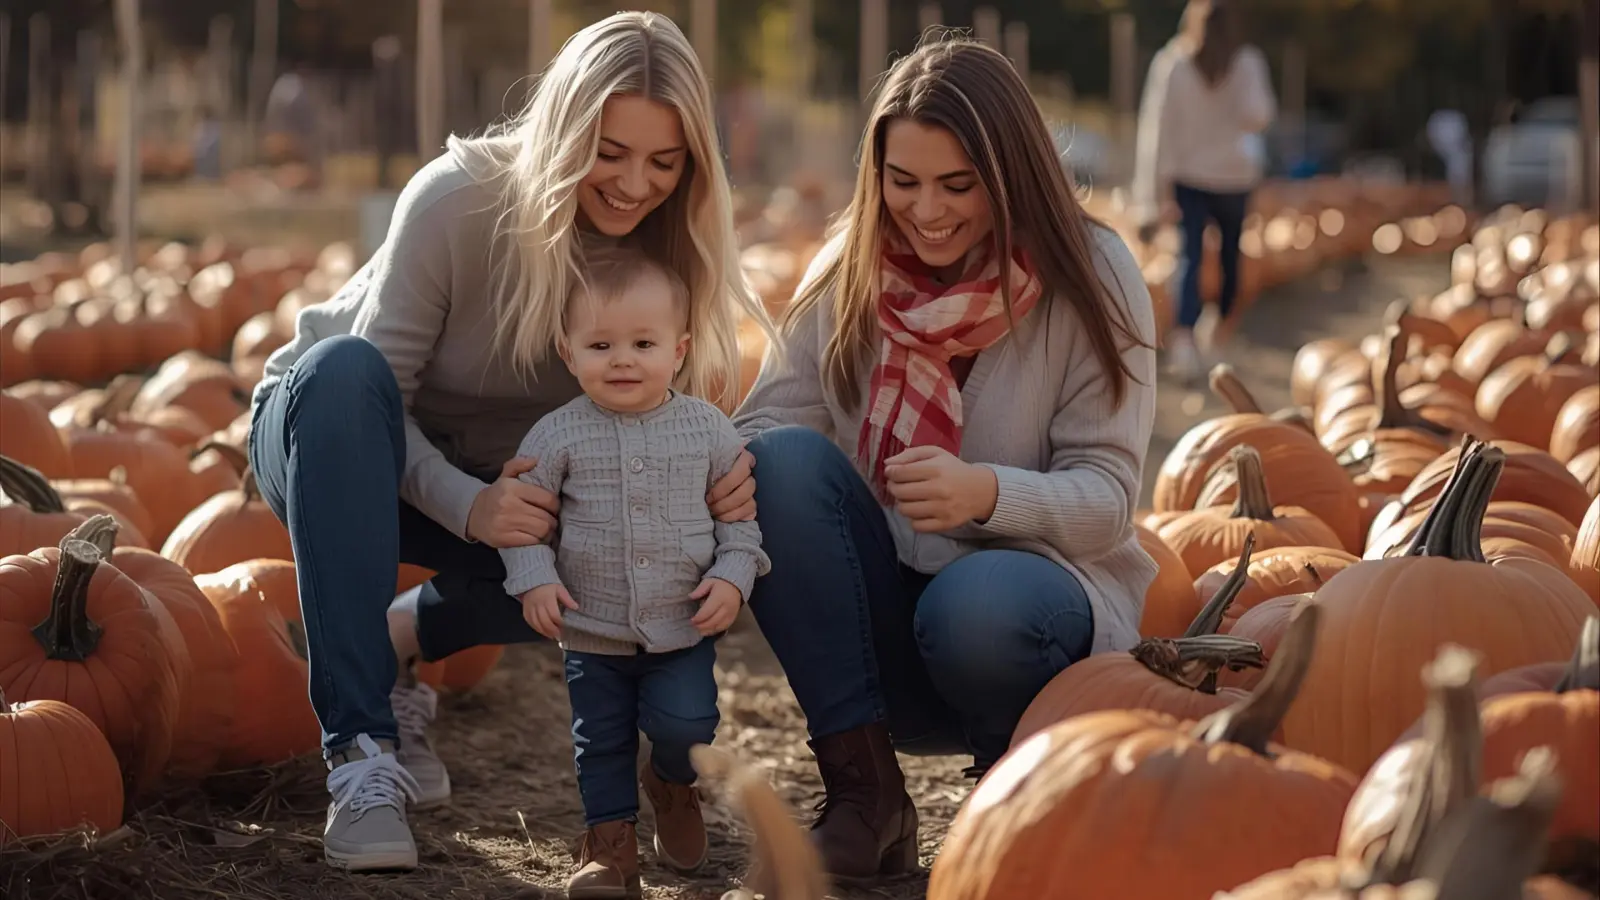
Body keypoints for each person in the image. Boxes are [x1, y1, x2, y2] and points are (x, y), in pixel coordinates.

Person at [246, 12, 767, 873]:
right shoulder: (457, 200)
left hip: (506, 483)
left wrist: (724, 483)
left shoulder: (672, 249)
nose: (636, 184)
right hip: (340, 444)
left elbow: (665, 431)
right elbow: (375, 396)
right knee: (344, 374)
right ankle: (361, 756)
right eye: (610, 150)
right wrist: (471, 505)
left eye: (664, 162)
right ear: (564, 128)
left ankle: (402, 642)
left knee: (613, 536)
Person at [733, 35, 1159, 883]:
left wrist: (986, 494)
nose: (926, 210)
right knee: (778, 463)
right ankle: (866, 795)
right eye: (904, 181)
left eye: (958, 185)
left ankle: (1014, 791)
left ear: (1012, 172)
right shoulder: (851, 263)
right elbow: (760, 430)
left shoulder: (1095, 273)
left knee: (978, 605)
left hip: (1021, 614)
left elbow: (1109, 494)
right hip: (879, 623)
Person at [503, 247, 770, 898]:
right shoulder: (555, 435)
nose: (622, 359)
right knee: (600, 741)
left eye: (642, 343)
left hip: (681, 626)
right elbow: (524, 525)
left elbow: (740, 524)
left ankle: (673, 784)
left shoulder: (708, 431)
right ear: (569, 354)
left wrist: (734, 575)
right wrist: (534, 577)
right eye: (600, 344)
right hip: (590, 630)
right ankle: (609, 848)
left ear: (678, 350)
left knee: (687, 725)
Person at [1132, 0, 1277, 380]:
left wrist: (1150, 195)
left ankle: (1183, 341)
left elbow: (1156, 130)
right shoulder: (1247, 63)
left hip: (1189, 177)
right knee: (1231, 255)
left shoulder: (1173, 63)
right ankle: (1216, 333)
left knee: (1190, 256)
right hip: (1233, 177)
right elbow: (1259, 116)